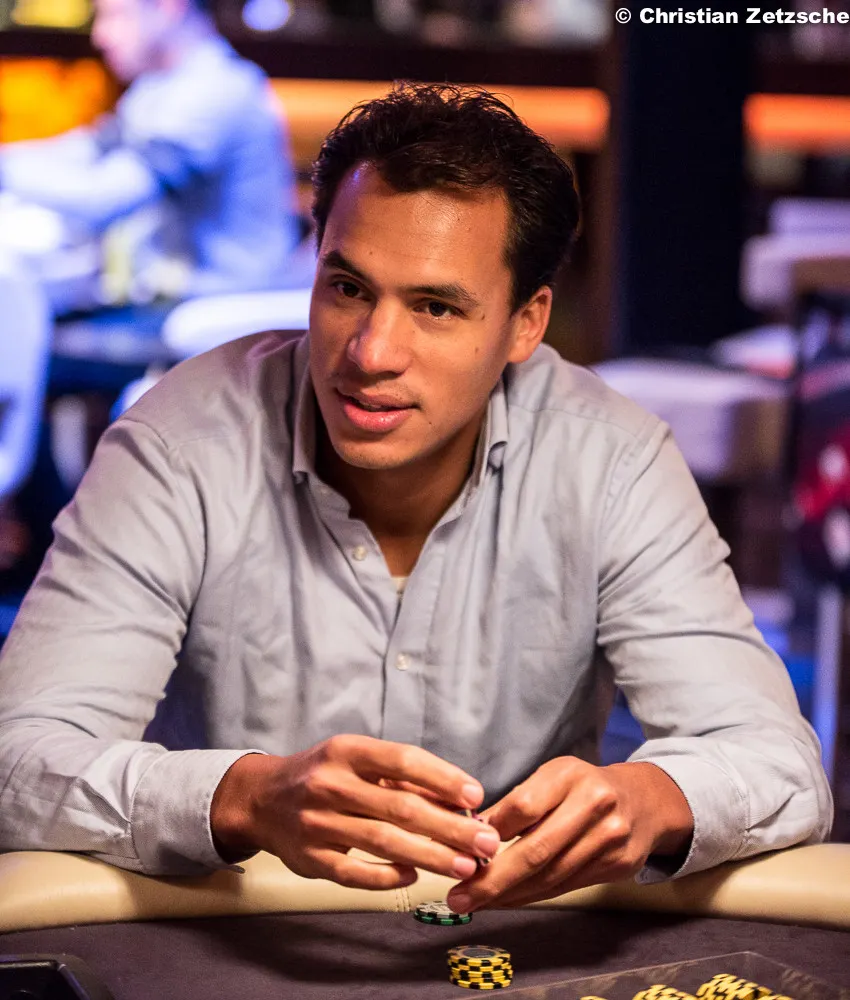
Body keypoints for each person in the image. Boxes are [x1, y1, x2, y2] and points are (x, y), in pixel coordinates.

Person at [0, 84, 832, 912]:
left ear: (525, 324)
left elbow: (779, 765)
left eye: (436, 307)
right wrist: (243, 797)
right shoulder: (178, 443)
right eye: (348, 289)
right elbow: (17, 759)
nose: (371, 352)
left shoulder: (611, 460)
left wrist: (649, 800)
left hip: (513, 935)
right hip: (230, 928)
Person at [0, 0, 300, 311]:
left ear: (169, 8)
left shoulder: (216, 90)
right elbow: (88, 148)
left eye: (114, 16)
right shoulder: (157, 86)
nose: (99, 36)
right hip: (170, 298)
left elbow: (104, 199)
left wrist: (5, 172)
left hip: (217, 310)